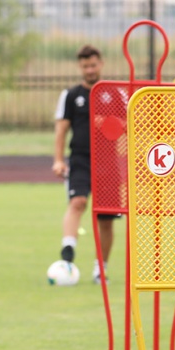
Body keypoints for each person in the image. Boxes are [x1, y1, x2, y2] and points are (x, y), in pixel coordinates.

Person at [52, 45, 116, 284]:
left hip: (109, 160)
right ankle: (67, 251)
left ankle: (102, 267)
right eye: (85, 66)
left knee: (106, 218)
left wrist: (107, 122)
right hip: (80, 159)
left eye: (93, 65)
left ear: (101, 64)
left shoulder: (115, 93)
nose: (90, 70)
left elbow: (127, 125)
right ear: (80, 67)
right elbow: (61, 130)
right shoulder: (71, 95)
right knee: (77, 202)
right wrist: (58, 160)